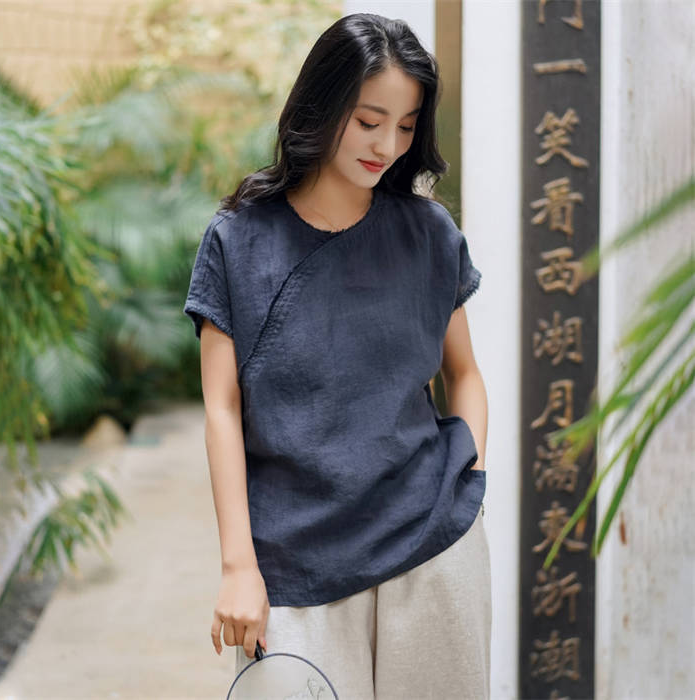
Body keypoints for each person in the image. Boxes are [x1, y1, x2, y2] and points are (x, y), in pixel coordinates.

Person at [183, 12, 491, 700]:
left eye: (406, 126)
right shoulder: (238, 240)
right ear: (322, 107)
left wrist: (467, 475)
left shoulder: (428, 233)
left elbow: (465, 373)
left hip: (432, 549)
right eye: (368, 120)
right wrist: (238, 566)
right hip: (295, 567)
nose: (387, 145)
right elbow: (221, 409)